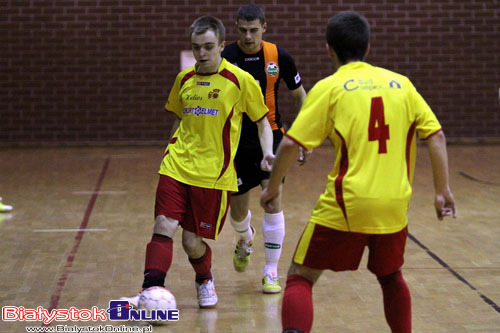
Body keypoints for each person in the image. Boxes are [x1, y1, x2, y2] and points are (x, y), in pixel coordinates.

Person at [261, 11, 457, 332]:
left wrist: (270, 190)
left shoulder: (330, 87)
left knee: (300, 276)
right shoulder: (402, 84)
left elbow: (289, 144)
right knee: (391, 276)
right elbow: (436, 136)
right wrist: (442, 190)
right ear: (368, 48)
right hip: (394, 204)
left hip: (347, 202)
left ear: (329, 49)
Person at [122, 16, 274, 309]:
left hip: (213, 175)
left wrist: (267, 153)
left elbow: (262, 122)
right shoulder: (184, 79)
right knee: (163, 223)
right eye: (196, 47)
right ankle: (150, 291)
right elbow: (180, 119)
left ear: (222, 45)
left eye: (208, 47)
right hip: (176, 166)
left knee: (191, 242)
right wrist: (168, 151)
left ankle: (204, 278)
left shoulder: (240, 82)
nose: (201, 54)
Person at [221, 4, 307, 294]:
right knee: (237, 212)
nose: (248, 36)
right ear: (236, 29)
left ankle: (271, 271)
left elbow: (300, 96)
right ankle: (245, 237)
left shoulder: (279, 56)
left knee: (272, 201)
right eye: (242, 30)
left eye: (253, 30)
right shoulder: (225, 57)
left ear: (264, 28)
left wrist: (304, 136)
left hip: (271, 136)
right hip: (236, 141)